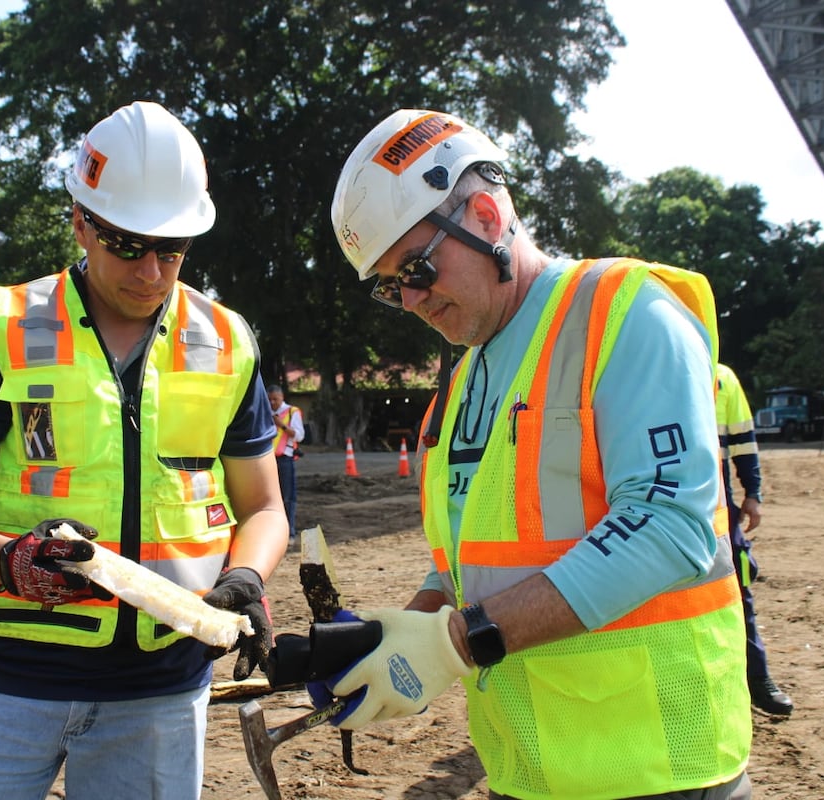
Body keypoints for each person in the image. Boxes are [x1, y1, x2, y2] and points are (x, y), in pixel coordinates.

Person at [319, 109, 753, 799]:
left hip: (658, 767)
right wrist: (401, 636)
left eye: (418, 269)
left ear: (488, 216)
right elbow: (469, 568)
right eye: (389, 284)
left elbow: (672, 527)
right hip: (530, 769)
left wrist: (457, 643)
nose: (409, 300)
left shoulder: (624, 313)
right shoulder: (463, 383)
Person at [0, 100, 288, 800]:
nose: (151, 272)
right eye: (128, 245)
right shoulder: (11, 330)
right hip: (4, 680)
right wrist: (10, 561)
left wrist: (247, 581)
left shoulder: (226, 343)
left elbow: (263, 506)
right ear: (81, 220)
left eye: (171, 250)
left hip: (159, 695)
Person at [717, 361, 794, 715]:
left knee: (740, 591)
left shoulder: (723, 378)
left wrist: (753, 493)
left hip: (719, 506)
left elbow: (743, 442)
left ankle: (757, 678)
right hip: (660, 500)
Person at [266, 383, 305, 543]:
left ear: (282, 397)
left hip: (285, 459)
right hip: (268, 459)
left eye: (275, 399)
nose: (272, 403)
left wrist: (280, 424)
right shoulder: (265, 412)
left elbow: (299, 436)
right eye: (269, 400)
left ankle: (290, 532)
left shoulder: (291, 412)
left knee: (288, 497)